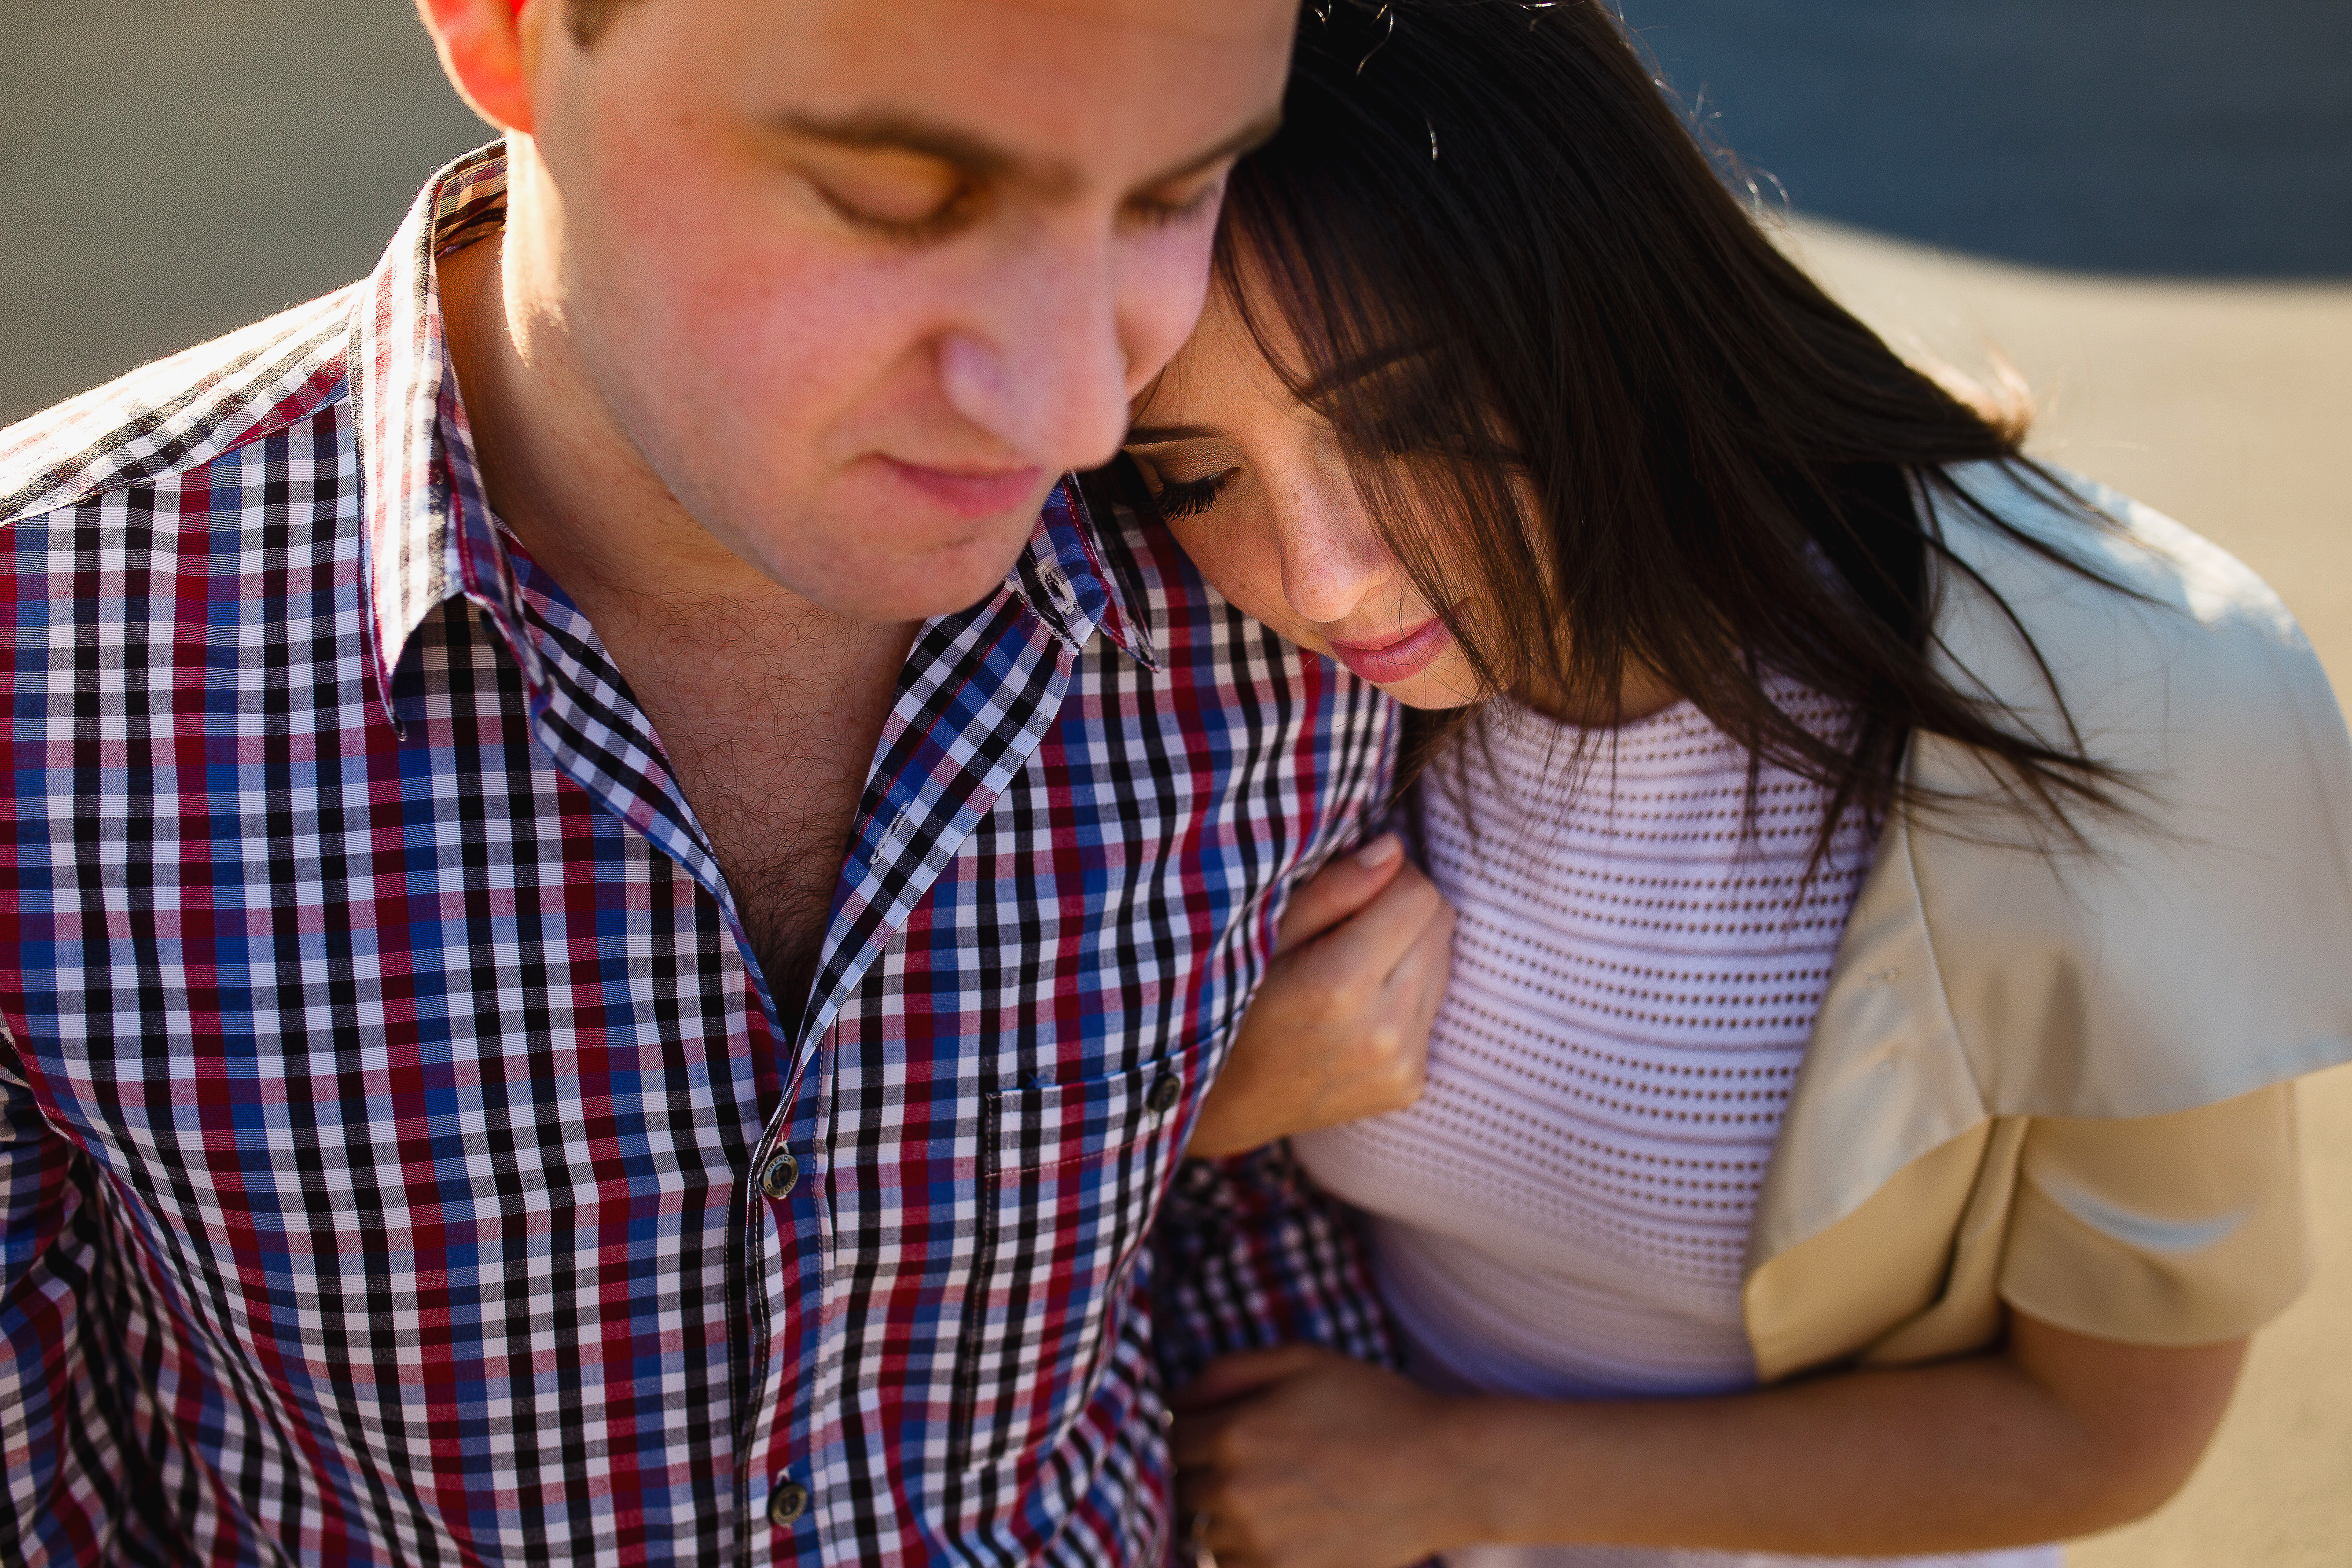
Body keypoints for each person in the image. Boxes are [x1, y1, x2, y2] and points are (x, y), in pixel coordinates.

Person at [0, 2, 1434, 1564]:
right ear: (507, 33)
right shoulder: (41, 665)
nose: (1077, 415)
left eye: (1172, 194)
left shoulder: (1277, 591)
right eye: (899, 196)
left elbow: (1257, 1279)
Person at [1131, 4, 2352, 1566]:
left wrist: (1456, 1476)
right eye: (1196, 476)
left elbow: (2104, 1429)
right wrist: (1212, 1102)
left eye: (1415, 415)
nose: (1316, 575)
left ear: (1607, 278)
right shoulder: (1191, 665)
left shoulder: (2145, 687)